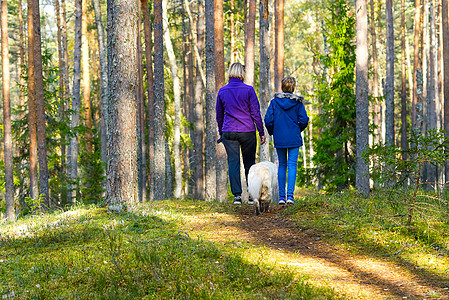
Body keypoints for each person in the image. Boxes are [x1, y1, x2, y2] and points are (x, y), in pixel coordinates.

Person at [216, 62, 266, 205]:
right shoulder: (249, 90)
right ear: (242, 73)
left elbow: (219, 115)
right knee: (249, 163)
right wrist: (261, 132)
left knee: (233, 163)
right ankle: (251, 195)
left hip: (229, 131)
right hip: (247, 131)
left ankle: (237, 196)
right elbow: (255, 112)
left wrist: (221, 132)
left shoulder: (222, 91)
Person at [264, 77, 309, 205]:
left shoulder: (274, 102)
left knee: (282, 165)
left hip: (280, 137)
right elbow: (304, 120)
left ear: (282, 87)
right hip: (293, 137)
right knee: (292, 165)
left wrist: (273, 131)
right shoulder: (298, 103)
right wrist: (297, 129)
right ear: (293, 88)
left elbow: (268, 120)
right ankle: (290, 196)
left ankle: (281, 197)